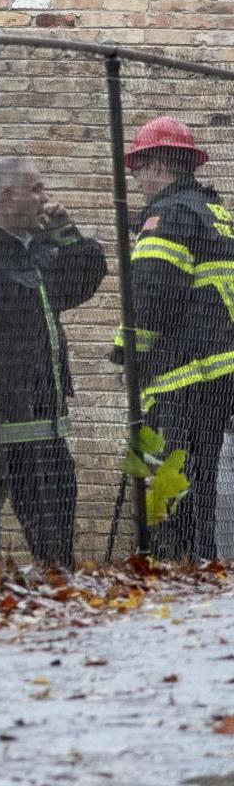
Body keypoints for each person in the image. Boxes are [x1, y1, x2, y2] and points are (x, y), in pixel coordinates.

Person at [0, 157, 105, 577]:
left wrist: (64, 232)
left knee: (56, 516)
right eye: (34, 189)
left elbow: (85, 279)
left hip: (42, 417)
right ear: (4, 198)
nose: (44, 197)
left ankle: (58, 594)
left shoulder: (35, 250)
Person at [121, 116, 234, 559]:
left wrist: (125, 354)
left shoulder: (166, 215)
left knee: (161, 476)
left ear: (159, 165)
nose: (137, 178)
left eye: (138, 168)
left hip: (180, 376)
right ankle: (199, 567)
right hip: (218, 374)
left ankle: (169, 565)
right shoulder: (215, 212)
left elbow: (151, 292)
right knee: (200, 478)